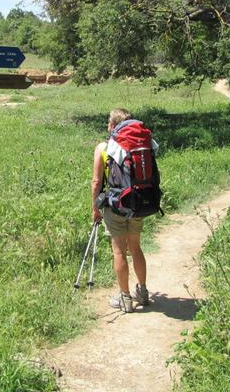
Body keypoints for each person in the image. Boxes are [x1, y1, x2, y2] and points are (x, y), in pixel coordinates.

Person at [92, 108, 150, 313]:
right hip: (139, 203)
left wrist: (95, 208)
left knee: (119, 250)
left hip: (116, 205)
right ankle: (142, 292)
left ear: (112, 125)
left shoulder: (104, 147)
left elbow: (97, 181)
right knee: (136, 248)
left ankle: (125, 298)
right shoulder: (142, 144)